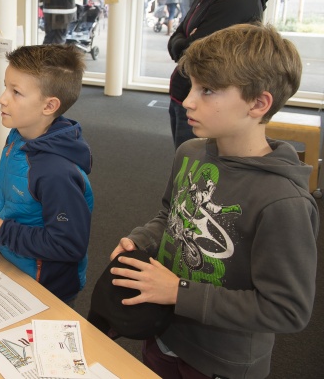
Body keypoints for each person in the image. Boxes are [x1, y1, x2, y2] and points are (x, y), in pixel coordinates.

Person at [108, 24, 318, 379]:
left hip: (220, 363)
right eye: (192, 86)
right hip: (163, 332)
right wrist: (142, 239)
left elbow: (287, 309)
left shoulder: (283, 202)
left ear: (258, 103)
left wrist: (179, 292)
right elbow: (169, 216)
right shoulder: (190, 151)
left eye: (208, 90)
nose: (188, 100)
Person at [0, 45, 94, 305]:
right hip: (8, 262)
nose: (2, 98)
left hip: (44, 285)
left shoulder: (57, 174)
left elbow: (68, 246)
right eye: (6, 87)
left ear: (49, 105)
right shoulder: (19, 136)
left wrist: (1, 230)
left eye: (16, 92)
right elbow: (15, 190)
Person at [168, 0, 272, 148]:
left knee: (201, 175)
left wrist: (184, 41)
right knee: (186, 165)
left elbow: (196, 53)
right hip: (188, 96)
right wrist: (184, 40)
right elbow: (178, 39)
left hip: (212, 105)